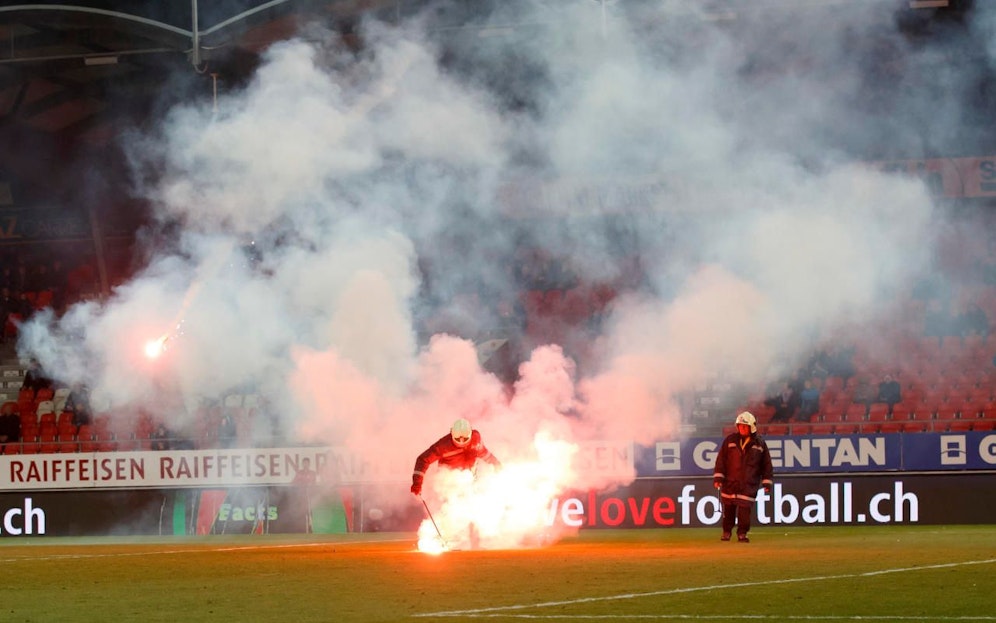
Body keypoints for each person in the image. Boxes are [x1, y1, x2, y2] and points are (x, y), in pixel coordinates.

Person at [714, 411, 774, 543]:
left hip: (748, 485)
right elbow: (721, 460)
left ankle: (742, 534)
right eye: (740, 426)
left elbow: (766, 465)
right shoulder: (730, 440)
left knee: (744, 513)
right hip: (730, 483)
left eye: (745, 426)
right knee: (728, 511)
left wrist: (767, 482)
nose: (742, 428)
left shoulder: (760, 444)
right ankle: (726, 532)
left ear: (751, 427)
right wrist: (718, 478)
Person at [410, 418, 502, 497]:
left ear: (470, 434)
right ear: (452, 434)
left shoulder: (475, 441)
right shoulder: (442, 446)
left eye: (465, 439)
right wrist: (417, 483)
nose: (461, 443)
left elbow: (484, 454)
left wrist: (496, 464)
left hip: (470, 482)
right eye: (458, 439)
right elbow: (423, 460)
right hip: (449, 486)